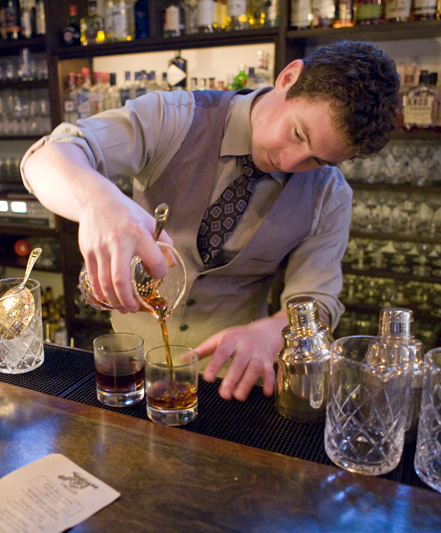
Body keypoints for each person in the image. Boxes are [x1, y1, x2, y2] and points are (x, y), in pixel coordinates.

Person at [22, 40, 399, 402]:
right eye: (298, 133)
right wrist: (98, 201)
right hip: (129, 365)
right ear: (288, 78)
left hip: (231, 382)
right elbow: (48, 157)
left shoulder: (328, 194)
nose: (290, 163)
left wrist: (273, 332)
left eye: (318, 159)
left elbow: (317, 301)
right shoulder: (175, 117)